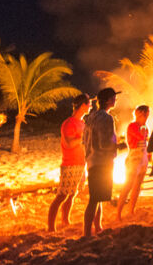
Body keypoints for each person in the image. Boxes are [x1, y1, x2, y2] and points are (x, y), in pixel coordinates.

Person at [82, 88, 125, 237]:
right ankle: (87, 233)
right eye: (113, 98)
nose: (115, 100)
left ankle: (98, 227)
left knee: (97, 196)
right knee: (94, 199)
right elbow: (103, 144)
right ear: (108, 100)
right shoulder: (106, 118)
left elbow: (85, 141)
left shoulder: (90, 116)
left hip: (92, 160)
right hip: (102, 161)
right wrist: (119, 146)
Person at [47, 94, 90, 232]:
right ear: (83, 105)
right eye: (89, 104)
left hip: (81, 163)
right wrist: (84, 137)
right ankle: (51, 227)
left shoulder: (82, 123)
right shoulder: (69, 123)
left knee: (72, 193)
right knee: (62, 195)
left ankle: (65, 220)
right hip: (70, 163)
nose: (90, 107)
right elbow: (70, 143)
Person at [117, 105, 150, 221]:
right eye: (145, 113)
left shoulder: (144, 127)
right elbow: (141, 137)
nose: (147, 116)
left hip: (143, 157)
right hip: (134, 157)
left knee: (137, 186)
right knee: (128, 185)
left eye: (147, 114)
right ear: (139, 113)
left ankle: (131, 210)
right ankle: (118, 214)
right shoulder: (132, 126)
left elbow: (146, 141)